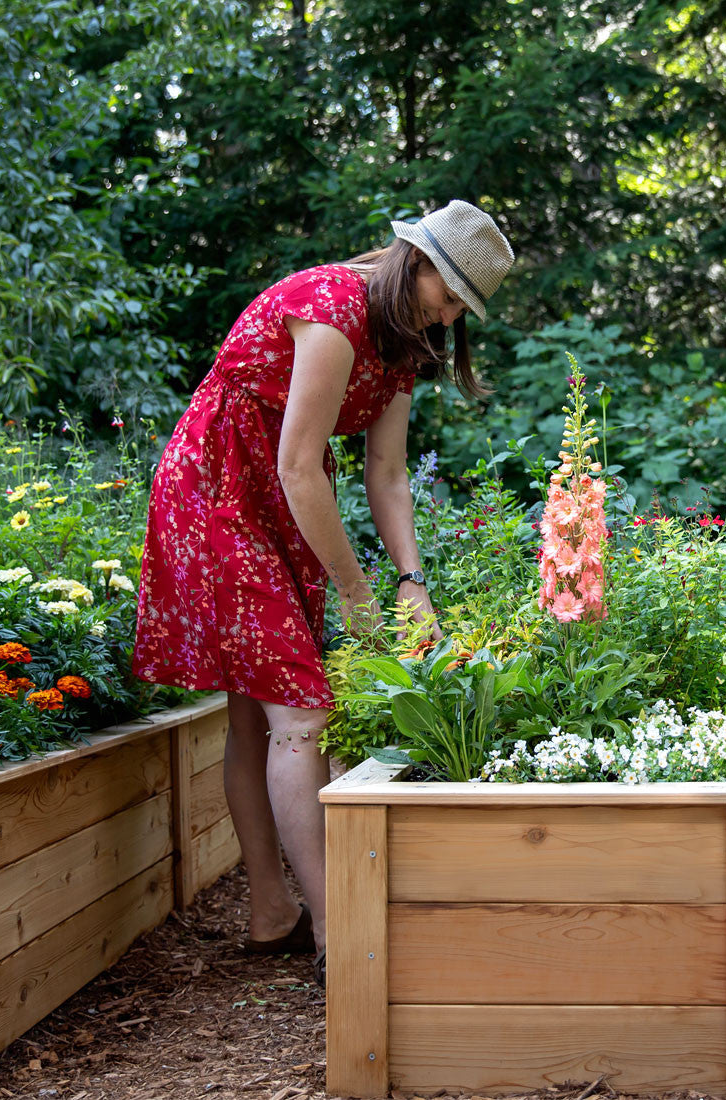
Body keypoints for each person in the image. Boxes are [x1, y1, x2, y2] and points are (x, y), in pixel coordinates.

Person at [133, 200, 515, 982]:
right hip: (218, 487)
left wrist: (411, 581)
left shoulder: (405, 337)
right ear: (417, 261)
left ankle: (272, 913)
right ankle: (341, 940)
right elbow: (298, 464)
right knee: (302, 711)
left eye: (459, 311)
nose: (447, 318)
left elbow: (388, 472)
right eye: (448, 298)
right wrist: (354, 590)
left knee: (260, 707)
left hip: (283, 500)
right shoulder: (334, 306)